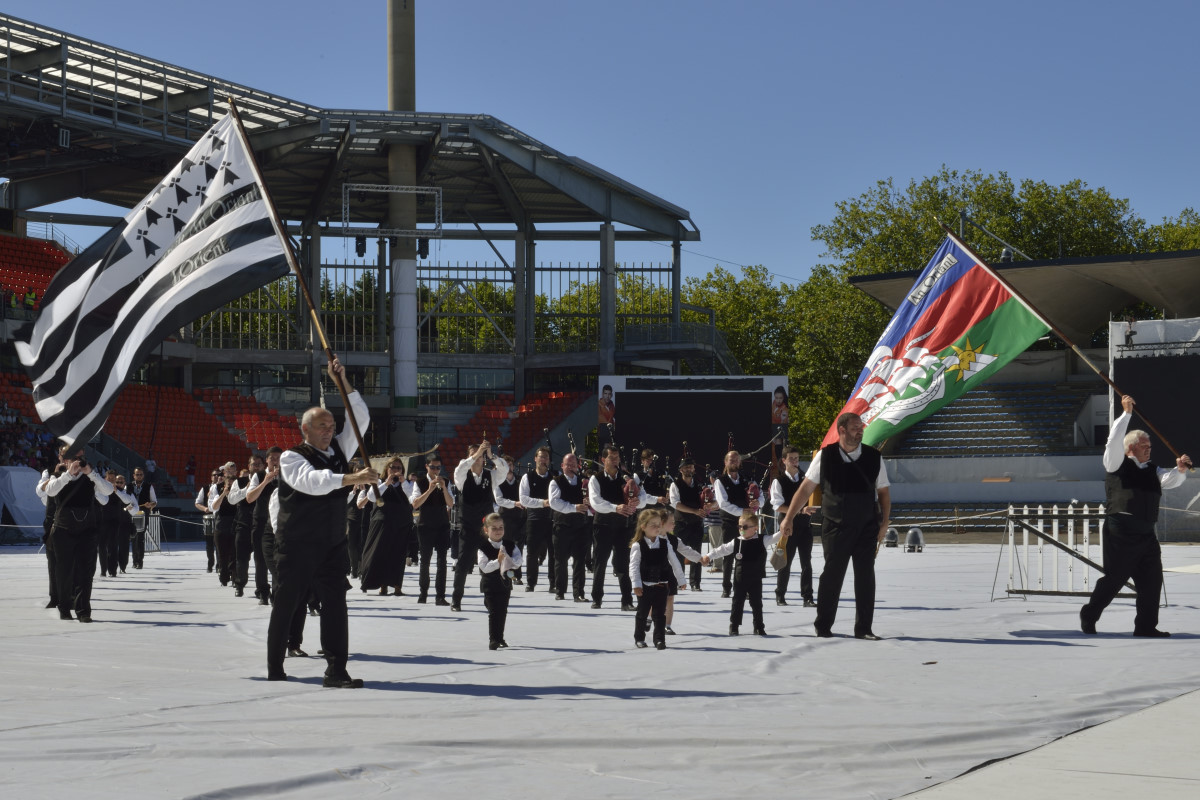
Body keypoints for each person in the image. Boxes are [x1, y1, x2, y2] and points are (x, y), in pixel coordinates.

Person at [266, 358, 377, 687]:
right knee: (286, 605)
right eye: (322, 427)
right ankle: (275, 666)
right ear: (305, 430)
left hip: (331, 544)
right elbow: (312, 482)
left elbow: (361, 419)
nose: (330, 432)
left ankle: (336, 670)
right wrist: (351, 477)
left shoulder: (340, 449)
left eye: (331, 426)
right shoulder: (291, 457)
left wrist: (342, 382)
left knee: (335, 605)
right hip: (297, 544)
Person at [1081, 395, 1190, 637]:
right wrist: (1126, 414)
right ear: (1131, 448)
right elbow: (1113, 441)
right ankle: (1089, 614)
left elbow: (1170, 481)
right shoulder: (1116, 463)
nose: (1149, 450)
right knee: (1114, 579)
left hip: (1146, 533)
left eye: (1150, 447)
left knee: (1152, 581)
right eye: (1144, 446)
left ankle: (1146, 627)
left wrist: (1180, 470)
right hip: (1121, 530)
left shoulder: (1153, 470)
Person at [781, 412, 891, 640]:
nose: (860, 431)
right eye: (854, 428)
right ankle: (823, 626)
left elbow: (883, 492)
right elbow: (805, 490)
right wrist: (789, 517)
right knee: (832, 575)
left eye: (861, 427)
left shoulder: (874, 457)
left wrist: (884, 523)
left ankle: (864, 629)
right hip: (835, 527)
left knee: (865, 576)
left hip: (866, 527)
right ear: (841, 430)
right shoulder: (825, 456)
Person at [43, 447, 114, 622]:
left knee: (85, 572)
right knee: (64, 571)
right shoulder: (58, 475)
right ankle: (65, 608)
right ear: (65, 459)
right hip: (63, 530)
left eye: (82, 457)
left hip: (86, 530)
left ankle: (83, 611)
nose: (79, 461)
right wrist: (67, 474)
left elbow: (108, 491)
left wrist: (91, 473)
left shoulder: (90, 476)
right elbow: (50, 491)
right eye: (75, 457)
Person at [588, 444, 647, 610]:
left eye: (617, 458)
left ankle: (627, 601)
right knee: (600, 563)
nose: (615, 461)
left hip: (624, 526)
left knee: (624, 564)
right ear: (603, 460)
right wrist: (616, 507)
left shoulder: (628, 478)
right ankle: (597, 598)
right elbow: (596, 503)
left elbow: (643, 496)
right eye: (611, 458)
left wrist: (638, 502)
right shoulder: (596, 479)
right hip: (603, 526)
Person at [703, 510, 781, 636]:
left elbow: (776, 537)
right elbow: (722, 550)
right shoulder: (736, 541)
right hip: (740, 578)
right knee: (737, 602)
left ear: (755, 528)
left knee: (757, 603)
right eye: (739, 526)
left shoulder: (762, 540)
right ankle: (734, 626)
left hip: (756, 578)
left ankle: (759, 626)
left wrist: (786, 526)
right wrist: (709, 555)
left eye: (744, 527)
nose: (741, 529)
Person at [451, 439, 507, 611]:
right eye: (473, 455)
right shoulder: (462, 477)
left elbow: (504, 470)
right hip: (468, 527)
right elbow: (460, 468)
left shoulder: (491, 475)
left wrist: (491, 455)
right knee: (462, 564)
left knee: (492, 564)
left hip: (486, 529)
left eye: (480, 456)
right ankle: (456, 599)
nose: (477, 459)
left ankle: (489, 597)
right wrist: (476, 454)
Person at [630, 509, 687, 649]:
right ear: (643, 527)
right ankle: (639, 638)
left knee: (660, 615)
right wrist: (636, 584)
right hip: (645, 587)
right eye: (652, 525)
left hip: (662, 586)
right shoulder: (638, 545)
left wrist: (681, 580)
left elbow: (675, 562)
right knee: (642, 613)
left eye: (658, 524)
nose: (657, 527)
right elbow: (634, 566)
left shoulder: (665, 543)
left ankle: (659, 640)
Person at [359, 457, 415, 597]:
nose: (396, 470)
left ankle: (397, 586)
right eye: (393, 467)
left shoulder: (406, 484)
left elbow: (412, 498)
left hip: (401, 523)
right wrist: (386, 483)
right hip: (382, 522)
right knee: (380, 554)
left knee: (398, 554)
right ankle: (382, 585)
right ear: (387, 469)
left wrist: (403, 483)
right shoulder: (379, 482)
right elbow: (372, 497)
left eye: (398, 468)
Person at [770, 445, 815, 607]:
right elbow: (777, 505)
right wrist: (800, 509)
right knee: (785, 562)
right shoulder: (779, 481)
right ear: (784, 461)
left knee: (806, 563)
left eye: (797, 458)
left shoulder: (806, 478)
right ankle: (780, 594)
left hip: (805, 527)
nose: (795, 461)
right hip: (788, 528)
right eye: (791, 458)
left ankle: (808, 597)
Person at [713, 450, 758, 598]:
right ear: (725, 462)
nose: (734, 462)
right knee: (729, 555)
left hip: (748, 525)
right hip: (730, 522)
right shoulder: (720, 481)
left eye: (737, 460)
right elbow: (723, 504)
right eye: (731, 460)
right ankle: (726, 587)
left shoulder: (747, 479)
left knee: (746, 556)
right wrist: (742, 512)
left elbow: (760, 497)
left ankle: (743, 588)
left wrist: (757, 503)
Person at [410, 456, 454, 605]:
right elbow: (415, 504)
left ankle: (440, 595)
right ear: (426, 466)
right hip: (425, 524)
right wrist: (429, 489)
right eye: (433, 467)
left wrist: (444, 488)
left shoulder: (446, 482)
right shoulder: (420, 482)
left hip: (442, 524)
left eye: (438, 467)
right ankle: (423, 593)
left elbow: (450, 504)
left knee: (442, 561)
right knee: (425, 560)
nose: (436, 470)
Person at [548, 452, 591, 602]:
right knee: (561, 560)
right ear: (562, 466)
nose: (571, 467)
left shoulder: (584, 482)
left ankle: (579, 593)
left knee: (580, 561)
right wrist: (574, 507)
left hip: (580, 527)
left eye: (573, 464)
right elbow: (554, 503)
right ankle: (560, 590)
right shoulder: (556, 482)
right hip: (562, 527)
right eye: (568, 464)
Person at [477, 512, 523, 650]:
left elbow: (518, 561)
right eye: (494, 528)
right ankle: (493, 639)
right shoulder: (482, 548)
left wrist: (509, 560)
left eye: (501, 527)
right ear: (486, 530)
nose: (498, 531)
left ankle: (500, 637)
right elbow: (484, 567)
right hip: (489, 585)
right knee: (493, 611)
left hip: (505, 584)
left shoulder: (510, 545)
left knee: (502, 610)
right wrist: (499, 561)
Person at [669, 457, 713, 591]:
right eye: (686, 467)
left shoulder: (701, 485)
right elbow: (675, 504)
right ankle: (679, 581)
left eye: (691, 467)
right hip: (681, 522)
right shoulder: (675, 485)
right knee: (678, 553)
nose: (689, 469)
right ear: (681, 470)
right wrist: (694, 511)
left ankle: (695, 583)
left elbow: (713, 501)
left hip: (696, 523)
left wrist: (709, 507)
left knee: (697, 553)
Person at [245, 448, 283, 606]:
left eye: (278, 458)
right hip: (261, 521)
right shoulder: (258, 476)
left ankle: (277, 594)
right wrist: (266, 481)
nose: (275, 461)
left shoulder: (287, 476)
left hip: (280, 524)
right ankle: (262, 591)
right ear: (266, 460)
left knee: (278, 559)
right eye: (272, 458)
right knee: (260, 559)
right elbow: (249, 498)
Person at [518, 446, 556, 593]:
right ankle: (531, 582)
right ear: (535, 459)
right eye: (541, 457)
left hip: (552, 519)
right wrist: (542, 503)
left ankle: (553, 583)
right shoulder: (527, 477)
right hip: (534, 519)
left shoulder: (555, 477)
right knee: (532, 553)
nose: (543, 460)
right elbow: (523, 499)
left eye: (546, 457)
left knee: (554, 553)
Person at [231, 455, 264, 598]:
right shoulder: (239, 482)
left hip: (262, 525)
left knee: (261, 560)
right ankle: (239, 584)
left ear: (263, 466)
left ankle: (262, 589)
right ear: (248, 466)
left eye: (258, 464)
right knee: (242, 558)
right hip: (243, 524)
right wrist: (247, 489)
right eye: (253, 464)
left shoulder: (267, 480)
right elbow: (232, 500)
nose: (256, 466)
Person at [493, 454, 526, 585]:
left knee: (519, 548)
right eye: (505, 465)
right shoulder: (498, 482)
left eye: (510, 464)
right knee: (505, 547)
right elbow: (499, 500)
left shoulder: (520, 480)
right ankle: (505, 573)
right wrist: (515, 503)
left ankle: (517, 575)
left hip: (520, 518)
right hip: (505, 518)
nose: (508, 467)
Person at [209, 462, 240, 585]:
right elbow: (213, 507)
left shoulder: (241, 485)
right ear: (224, 473)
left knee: (235, 552)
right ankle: (224, 575)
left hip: (237, 521)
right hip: (221, 522)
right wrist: (224, 493)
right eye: (228, 471)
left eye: (233, 471)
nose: (231, 473)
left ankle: (235, 576)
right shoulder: (215, 487)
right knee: (222, 553)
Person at [127, 467, 157, 569]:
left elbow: (154, 501)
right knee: (133, 538)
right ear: (133, 475)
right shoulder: (128, 486)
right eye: (137, 474)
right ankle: (135, 560)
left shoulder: (149, 486)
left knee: (140, 538)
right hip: (131, 514)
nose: (139, 476)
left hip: (143, 514)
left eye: (140, 474)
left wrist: (150, 505)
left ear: (143, 476)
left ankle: (139, 561)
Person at [196, 469, 219, 572]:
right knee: (209, 544)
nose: (216, 476)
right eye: (214, 475)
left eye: (218, 475)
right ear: (211, 477)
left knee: (219, 543)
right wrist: (204, 509)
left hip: (220, 517)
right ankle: (210, 564)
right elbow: (197, 503)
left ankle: (220, 565)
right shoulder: (205, 488)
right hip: (209, 518)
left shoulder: (224, 487)